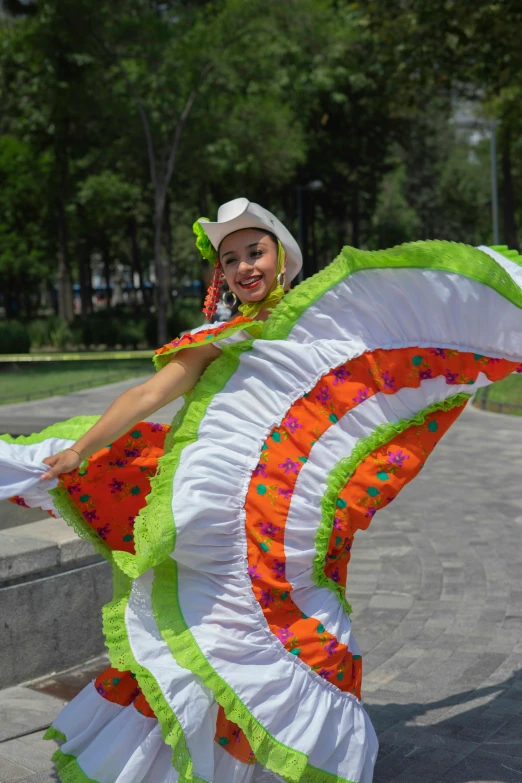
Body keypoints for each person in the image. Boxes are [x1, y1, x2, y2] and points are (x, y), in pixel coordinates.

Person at [2, 200, 522, 783]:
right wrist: (82, 449)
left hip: (299, 535)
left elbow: (388, 364)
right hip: (226, 536)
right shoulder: (220, 337)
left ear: (281, 258)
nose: (245, 266)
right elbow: (148, 396)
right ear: (221, 275)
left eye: (255, 251)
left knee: (312, 642)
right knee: (214, 642)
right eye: (231, 259)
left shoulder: (331, 332)